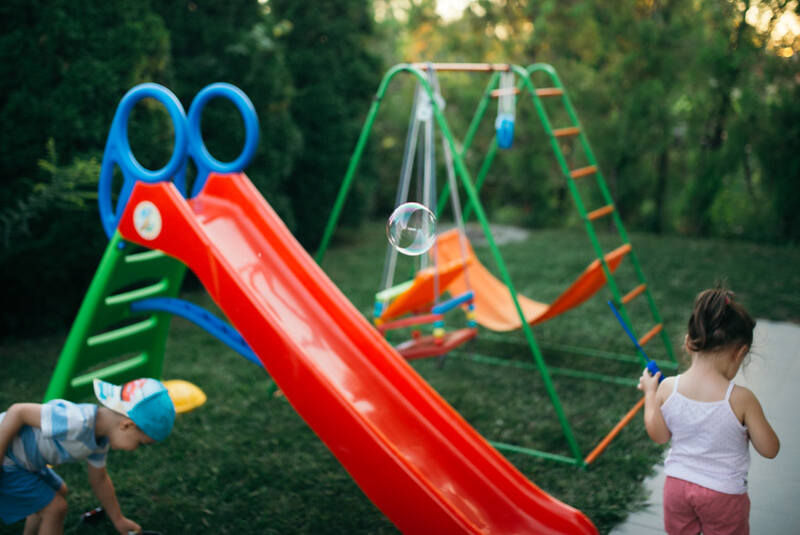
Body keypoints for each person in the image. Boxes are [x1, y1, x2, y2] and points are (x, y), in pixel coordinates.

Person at [639, 287, 780, 535]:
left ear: (687, 342)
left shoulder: (668, 388)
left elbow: (659, 436)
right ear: (740, 352)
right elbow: (770, 449)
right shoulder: (742, 400)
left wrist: (650, 394)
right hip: (723, 494)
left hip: (677, 488)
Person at [0, 378, 176, 534]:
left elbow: (99, 479)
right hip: (8, 459)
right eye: (140, 443)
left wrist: (118, 520)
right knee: (56, 508)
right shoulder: (77, 420)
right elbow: (18, 411)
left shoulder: (99, 440)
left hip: (26, 462)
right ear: (126, 425)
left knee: (59, 491)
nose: (135, 449)